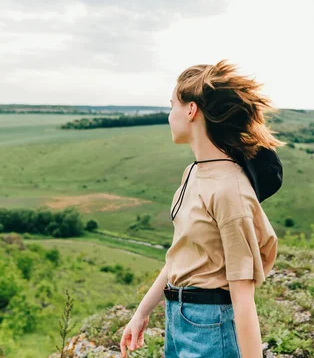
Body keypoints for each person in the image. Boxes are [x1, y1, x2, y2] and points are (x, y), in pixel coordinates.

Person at [120, 60, 285, 358]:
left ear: (191, 110)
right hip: (179, 319)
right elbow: (181, 255)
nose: (170, 116)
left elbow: (243, 297)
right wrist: (142, 313)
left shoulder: (229, 190)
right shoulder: (193, 173)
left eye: (172, 105)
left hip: (211, 327)